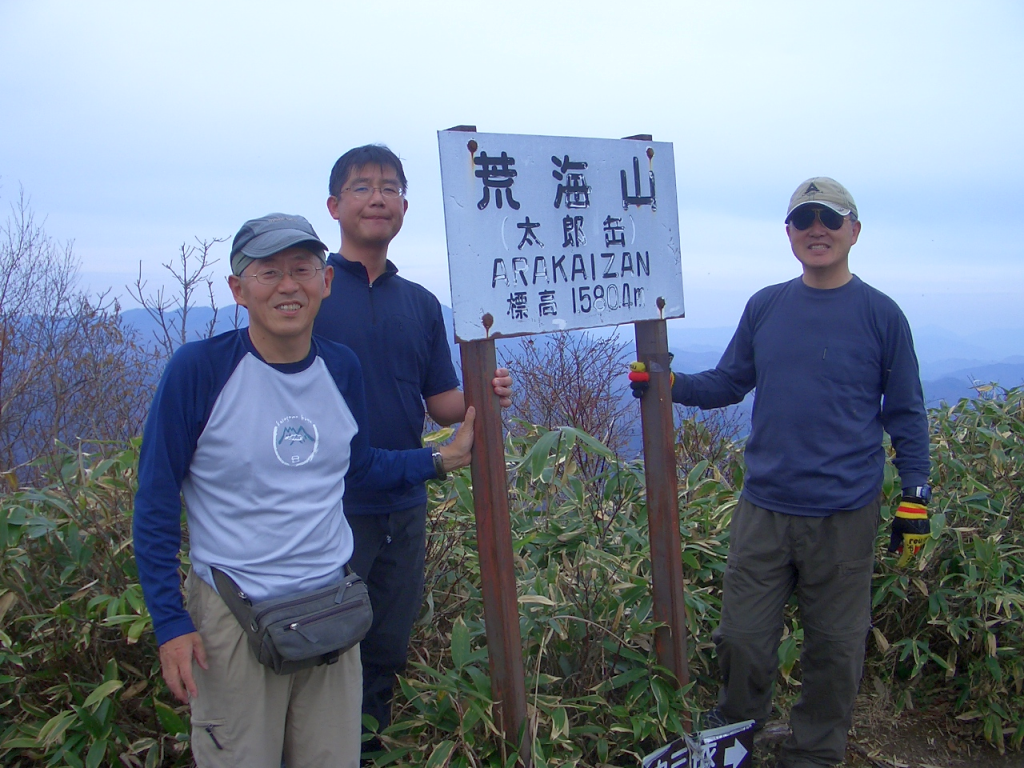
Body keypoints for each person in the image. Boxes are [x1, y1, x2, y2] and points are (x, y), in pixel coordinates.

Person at [133, 213, 477, 768]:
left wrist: (440, 459)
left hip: (330, 607)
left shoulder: (340, 367)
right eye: (268, 272)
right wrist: (171, 624)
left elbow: (357, 467)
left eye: (302, 269)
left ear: (326, 282)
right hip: (233, 610)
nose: (288, 285)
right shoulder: (199, 370)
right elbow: (154, 502)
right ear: (238, 290)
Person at [633, 178, 931, 768]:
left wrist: (915, 498)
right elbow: (729, 381)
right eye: (803, 219)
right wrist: (668, 384)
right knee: (742, 640)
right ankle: (735, 741)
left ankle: (814, 755)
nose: (816, 228)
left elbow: (906, 412)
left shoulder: (881, 315)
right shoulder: (766, 305)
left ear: (855, 230)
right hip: (765, 507)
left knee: (835, 648)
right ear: (788, 233)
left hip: (845, 512)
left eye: (829, 217)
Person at [313, 144, 512, 744]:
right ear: (334, 205)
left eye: (390, 187)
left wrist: (486, 392)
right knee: (323, 650)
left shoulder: (420, 303)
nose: (378, 198)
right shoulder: (312, 292)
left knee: (385, 647)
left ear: (405, 205)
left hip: (404, 502)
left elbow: (440, 400)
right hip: (328, 508)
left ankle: (367, 750)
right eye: (363, 187)